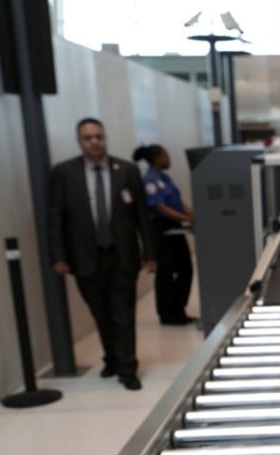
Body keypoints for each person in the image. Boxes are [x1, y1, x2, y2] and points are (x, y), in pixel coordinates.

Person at [49, 118, 155, 391]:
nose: (95, 141)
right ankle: (112, 357)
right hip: (85, 257)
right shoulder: (64, 173)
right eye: (88, 137)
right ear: (79, 141)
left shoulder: (126, 170)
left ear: (105, 138)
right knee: (101, 313)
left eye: (99, 136)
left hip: (122, 256)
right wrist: (58, 256)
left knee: (123, 312)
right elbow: (55, 217)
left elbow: (142, 215)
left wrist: (150, 252)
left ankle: (128, 367)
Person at [133, 144, 196, 326]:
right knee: (166, 273)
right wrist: (186, 218)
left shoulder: (165, 178)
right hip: (161, 231)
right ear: (156, 158)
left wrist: (193, 216)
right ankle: (167, 314)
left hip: (175, 228)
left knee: (185, 269)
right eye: (165, 156)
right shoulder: (150, 180)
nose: (169, 159)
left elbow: (178, 202)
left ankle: (179, 309)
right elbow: (161, 208)